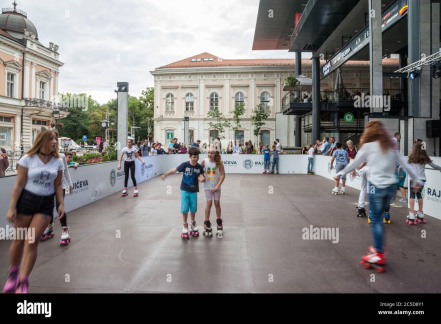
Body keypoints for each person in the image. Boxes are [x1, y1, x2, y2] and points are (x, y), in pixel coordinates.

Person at [334, 121, 422, 272]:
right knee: (380, 217)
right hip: (391, 188)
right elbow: (405, 164)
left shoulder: (368, 146)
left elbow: (354, 164)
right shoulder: (390, 146)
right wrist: (417, 179)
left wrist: (340, 174)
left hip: (377, 187)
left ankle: (378, 253)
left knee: (376, 220)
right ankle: (378, 247)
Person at [3, 129, 65, 293]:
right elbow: (19, 185)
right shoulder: (27, 159)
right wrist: (12, 207)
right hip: (26, 202)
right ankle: (14, 272)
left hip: (45, 204)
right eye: (52, 139)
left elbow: (58, 185)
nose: (55, 142)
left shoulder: (58, 161)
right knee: (19, 240)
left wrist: (60, 204)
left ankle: (23, 281)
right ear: (42, 140)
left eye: (56, 139)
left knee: (31, 242)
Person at [161, 147, 205, 239]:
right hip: (184, 190)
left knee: (193, 208)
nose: (196, 159)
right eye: (194, 157)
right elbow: (175, 169)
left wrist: (201, 178)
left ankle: (193, 223)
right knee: (184, 209)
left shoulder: (199, 167)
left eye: (197, 157)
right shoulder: (185, 165)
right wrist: (165, 174)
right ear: (189, 157)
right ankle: (185, 224)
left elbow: (201, 174)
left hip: (194, 191)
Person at [41, 152, 73, 246]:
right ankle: (49, 226)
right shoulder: (42, 155)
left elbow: (66, 171)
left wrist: (70, 184)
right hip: (48, 186)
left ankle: (65, 230)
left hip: (60, 185)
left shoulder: (61, 156)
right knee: (48, 207)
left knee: (59, 207)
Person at [407, 142, 441, 224]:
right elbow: (434, 166)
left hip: (414, 179)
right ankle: (420, 214)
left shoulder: (411, 157)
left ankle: (411, 215)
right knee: (419, 195)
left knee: (412, 196)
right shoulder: (424, 158)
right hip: (422, 179)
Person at [200, 145, 225, 238]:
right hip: (207, 186)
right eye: (209, 153)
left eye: (212, 153)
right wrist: (201, 176)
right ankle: (206, 222)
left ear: (216, 153)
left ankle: (219, 222)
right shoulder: (204, 161)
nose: (210, 154)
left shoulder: (219, 163)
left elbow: (222, 175)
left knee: (217, 203)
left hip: (216, 187)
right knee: (209, 203)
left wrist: (218, 185)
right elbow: (198, 170)